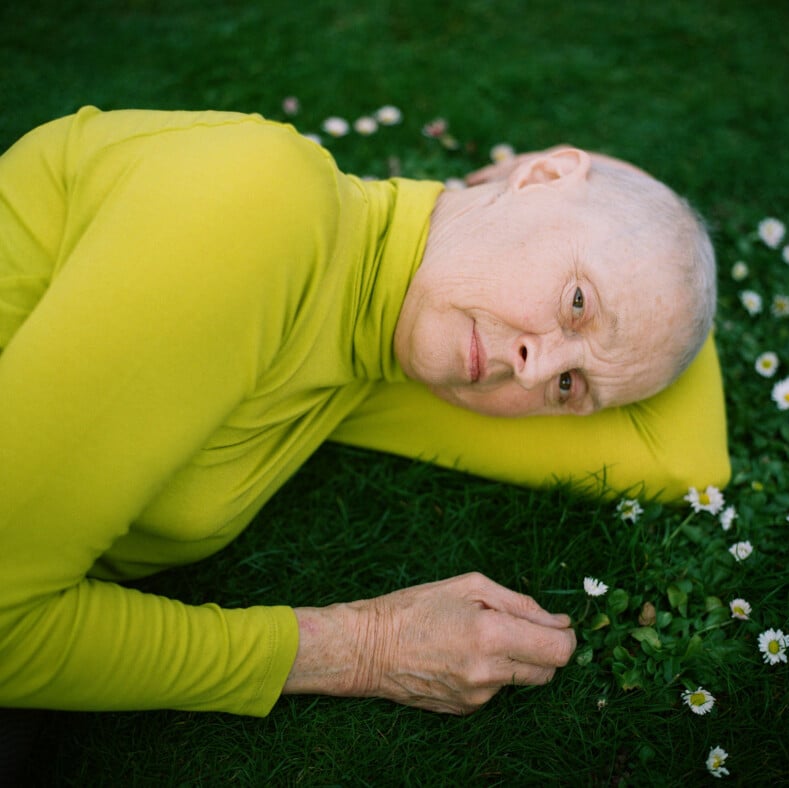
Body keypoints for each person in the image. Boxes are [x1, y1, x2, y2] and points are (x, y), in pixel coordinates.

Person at [0, 107, 729, 721]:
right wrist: (363, 648)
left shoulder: (396, 349)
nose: (537, 367)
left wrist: (643, 252)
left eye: (570, 390)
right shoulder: (259, 205)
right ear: (539, 175)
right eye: (577, 301)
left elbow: (681, 460)